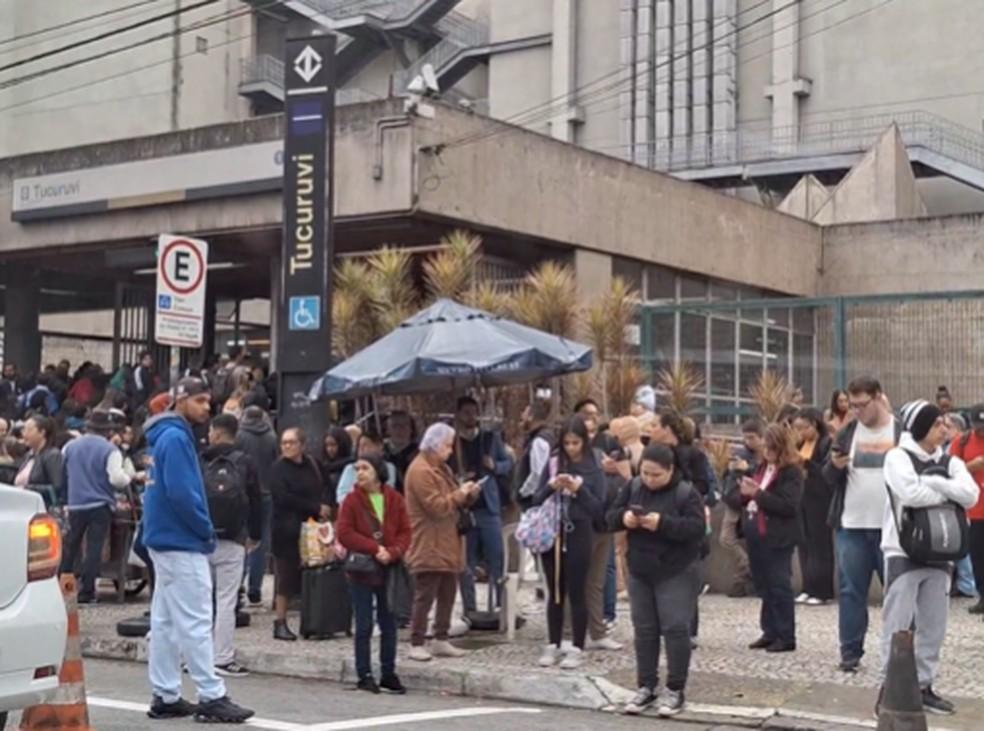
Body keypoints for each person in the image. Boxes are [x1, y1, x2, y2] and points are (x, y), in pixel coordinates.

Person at [141, 377, 253, 723]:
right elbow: (183, 493)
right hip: (181, 539)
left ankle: (166, 692)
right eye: (201, 400)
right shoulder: (176, 438)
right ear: (181, 400)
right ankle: (211, 694)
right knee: (196, 617)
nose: (208, 407)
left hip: (165, 538)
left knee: (166, 620)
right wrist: (205, 529)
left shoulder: (164, 437)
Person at [879, 400, 978, 716]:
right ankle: (891, 686)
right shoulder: (897, 457)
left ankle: (923, 685)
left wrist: (933, 482)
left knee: (934, 625)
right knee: (897, 622)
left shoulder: (949, 461)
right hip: (903, 549)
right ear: (921, 426)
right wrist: (947, 491)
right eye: (937, 424)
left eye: (944, 423)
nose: (944, 429)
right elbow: (909, 493)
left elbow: (971, 494)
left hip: (941, 549)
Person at [608, 444, 704, 717]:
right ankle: (646, 685)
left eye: (656, 475)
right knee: (645, 629)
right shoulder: (633, 487)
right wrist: (625, 518)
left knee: (675, 628)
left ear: (670, 470)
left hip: (675, 569)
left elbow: (697, 529)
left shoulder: (686, 493)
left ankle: (676, 688)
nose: (649, 479)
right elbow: (609, 517)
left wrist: (662, 523)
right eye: (645, 473)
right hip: (639, 568)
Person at [823, 375, 901, 673]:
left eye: (862, 405)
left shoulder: (900, 430)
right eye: (852, 405)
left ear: (879, 397)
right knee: (850, 591)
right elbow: (825, 477)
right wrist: (834, 466)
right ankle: (850, 652)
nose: (856, 411)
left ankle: (901, 653)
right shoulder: (848, 433)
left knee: (896, 593)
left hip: (891, 528)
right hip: (851, 525)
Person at [533, 417, 606, 670]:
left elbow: (599, 508)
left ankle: (577, 645)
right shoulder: (554, 462)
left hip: (580, 531)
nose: (571, 448)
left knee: (578, 590)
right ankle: (552, 643)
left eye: (576, 443)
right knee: (554, 590)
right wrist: (552, 486)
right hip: (553, 531)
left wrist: (579, 489)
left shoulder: (593, 466)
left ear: (584, 442)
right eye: (567, 443)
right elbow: (535, 497)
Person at [336, 454, 412, 695]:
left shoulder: (394, 499)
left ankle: (388, 672)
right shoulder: (351, 500)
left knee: (389, 622)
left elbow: (405, 531)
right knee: (364, 623)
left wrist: (393, 552)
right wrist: (374, 548)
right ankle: (364, 673)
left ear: (378, 472)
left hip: (388, 567)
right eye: (357, 468)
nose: (360, 473)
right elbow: (345, 533)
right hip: (362, 569)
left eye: (365, 468)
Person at [404, 422, 480, 662]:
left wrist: (468, 493)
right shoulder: (420, 471)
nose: (450, 450)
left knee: (448, 590)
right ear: (435, 445)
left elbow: (452, 499)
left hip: (448, 539)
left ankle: (440, 638)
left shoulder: (441, 468)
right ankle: (416, 641)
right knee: (425, 593)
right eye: (447, 445)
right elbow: (436, 506)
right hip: (429, 540)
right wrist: (459, 495)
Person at [728, 423, 803, 654]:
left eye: (771, 449)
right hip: (756, 534)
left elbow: (788, 505)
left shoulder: (791, 472)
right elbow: (744, 497)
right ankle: (770, 631)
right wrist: (743, 493)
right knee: (763, 584)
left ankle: (785, 634)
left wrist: (757, 494)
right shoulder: (762, 468)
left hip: (777, 536)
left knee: (779, 584)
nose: (766, 453)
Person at [203, 414, 262, 676]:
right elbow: (256, 500)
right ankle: (222, 658)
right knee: (226, 600)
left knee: (201, 601)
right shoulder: (245, 462)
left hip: (203, 539)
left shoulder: (202, 459)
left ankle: (195, 656)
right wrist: (255, 534)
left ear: (215, 432)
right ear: (235, 434)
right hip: (235, 538)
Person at [449, 396, 514, 619]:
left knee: (497, 557)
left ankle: (500, 605)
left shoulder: (490, 438)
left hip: (488, 507)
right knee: (466, 563)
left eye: (474, 412)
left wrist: (494, 465)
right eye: (466, 412)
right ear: (458, 414)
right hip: (465, 510)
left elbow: (508, 464)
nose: (471, 416)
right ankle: (470, 609)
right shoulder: (453, 442)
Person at [60, 410, 131, 604]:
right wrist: (129, 477)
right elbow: (116, 478)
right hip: (100, 504)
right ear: (107, 430)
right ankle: (87, 591)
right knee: (93, 548)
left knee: (71, 546)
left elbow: (63, 472)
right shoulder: (110, 450)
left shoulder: (69, 447)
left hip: (75, 503)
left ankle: (61, 585)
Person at [269, 427, 331, 641]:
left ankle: (314, 620)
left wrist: (325, 505)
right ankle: (280, 621)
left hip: (312, 529)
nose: (287, 446)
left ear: (302, 445)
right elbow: (283, 497)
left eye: (291, 442)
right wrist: (314, 507)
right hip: (286, 530)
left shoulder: (313, 465)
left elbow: (326, 485)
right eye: (284, 442)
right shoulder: (277, 469)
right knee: (286, 578)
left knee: (312, 574)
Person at [236, 405, 279, 607]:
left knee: (242, 539)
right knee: (263, 541)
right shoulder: (271, 436)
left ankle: (238, 584)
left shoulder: (240, 436)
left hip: (244, 493)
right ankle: (255, 588)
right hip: (267, 492)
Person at [792, 408, 835, 606]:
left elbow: (826, 473)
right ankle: (807, 586)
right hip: (803, 497)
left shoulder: (826, 443)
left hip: (820, 498)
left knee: (821, 545)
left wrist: (807, 464)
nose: (800, 432)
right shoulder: (800, 443)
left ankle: (822, 589)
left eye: (804, 427)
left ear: (815, 425)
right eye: (797, 428)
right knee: (805, 544)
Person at [719, 419, 765, 598]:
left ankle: (747, 577)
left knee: (754, 539)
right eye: (745, 438)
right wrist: (732, 470)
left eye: (752, 438)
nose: (748, 442)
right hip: (735, 499)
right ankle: (748, 567)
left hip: (755, 501)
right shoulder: (741, 453)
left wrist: (748, 469)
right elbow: (729, 477)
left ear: (761, 438)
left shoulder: (765, 455)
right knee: (726, 538)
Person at [948, 403, 984, 613]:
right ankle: (982, 594)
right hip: (974, 510)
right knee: (978, 556)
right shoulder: (960, 443)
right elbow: (950, 471)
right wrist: (972, 466)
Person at [14, 414, 64, 508]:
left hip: (43, 509)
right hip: (24, 506)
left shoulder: (52, 456)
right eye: (23, 430)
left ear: (42, 432)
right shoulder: (28, 456)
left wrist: (27, 488)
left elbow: (57, 488)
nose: (24, 434)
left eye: (28, 430)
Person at [335, 431, 397, 506]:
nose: (361, 449)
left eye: (366, 445)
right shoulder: (350, 468)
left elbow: (388, 491)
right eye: (359, 446)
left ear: (379, 446)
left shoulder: (389, 467)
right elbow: (341, 494)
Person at [516, 398, 554, 510]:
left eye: (524, 413)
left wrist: (522, 493)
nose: (522, 416)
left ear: (531, 417)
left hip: (535, 502)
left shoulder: (539, 441)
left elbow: (537, 474)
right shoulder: (544, 437)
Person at [384, 410, 418, 493]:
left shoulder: (419, 454)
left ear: (411, 429)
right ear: (387, 430)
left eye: (404, 425)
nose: (399, 430)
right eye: (395, 426)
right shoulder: (381, 453)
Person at [321, 426, 354, 505]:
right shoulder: (323, 466)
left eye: (333, 445)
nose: (329, 449)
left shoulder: (351, 465)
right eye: (327, 445)